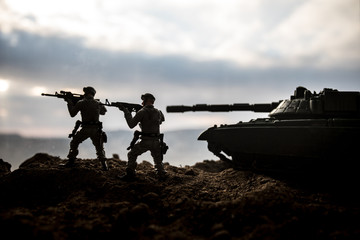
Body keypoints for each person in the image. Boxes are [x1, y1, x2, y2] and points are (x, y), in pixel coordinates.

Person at [118, 93, 166, 180]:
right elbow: (158, 122)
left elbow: (131, 125)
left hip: (145, 141)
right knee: (158, 160)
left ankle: (130, 174)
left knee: (132, 154)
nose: (142, 102)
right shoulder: (158, 112)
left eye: (143, 100)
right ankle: (161, 175)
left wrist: (126, 112)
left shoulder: (142, 112)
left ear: (145, 101)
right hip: (156, 141)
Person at [64, 86, 108, 171]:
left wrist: (69, 102)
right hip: (96, 129)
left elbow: (72, 114)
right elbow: (103, 112)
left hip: (85, 128)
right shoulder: (98, 103)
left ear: (85, 93)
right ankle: (104, 165)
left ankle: (71, 162)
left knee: (74, 143)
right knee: (100, 148)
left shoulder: (81, 102)